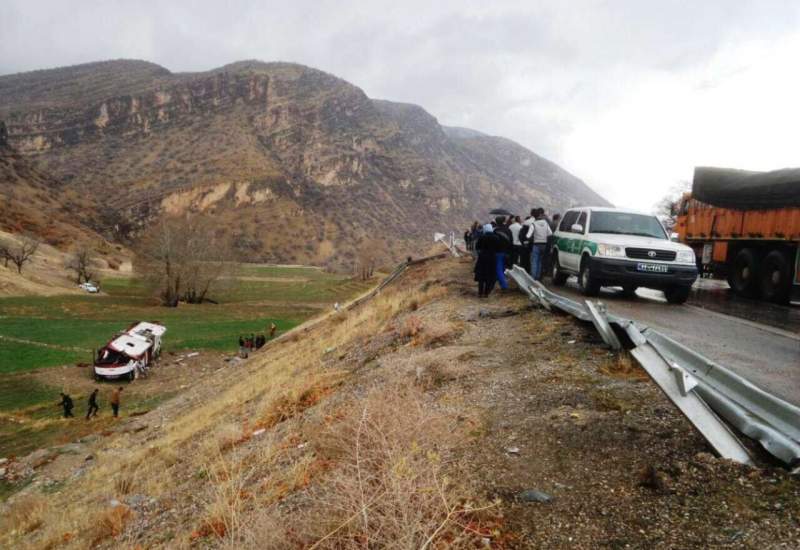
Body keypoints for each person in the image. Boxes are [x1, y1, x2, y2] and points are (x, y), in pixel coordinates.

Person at [525, 208, 553, 281]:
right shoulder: (546, 223)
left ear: (534, 216)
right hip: (544, 244)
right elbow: (550, 233)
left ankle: (533, 277)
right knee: (540, 261)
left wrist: (528, 238)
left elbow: (528, 235)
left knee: (534, 261)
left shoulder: (533, 224)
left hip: (536, 244)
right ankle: (538, 276)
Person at [492, 217, 513, 290]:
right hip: (507, 251)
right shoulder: (508, 230)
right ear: (504, 221)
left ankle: (504, 285)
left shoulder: (495, 231)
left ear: (497, 223)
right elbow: (511, 241)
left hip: (498, 252)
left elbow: (493, 243)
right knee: (504, 268)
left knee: (498, 268)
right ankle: (502, 282)